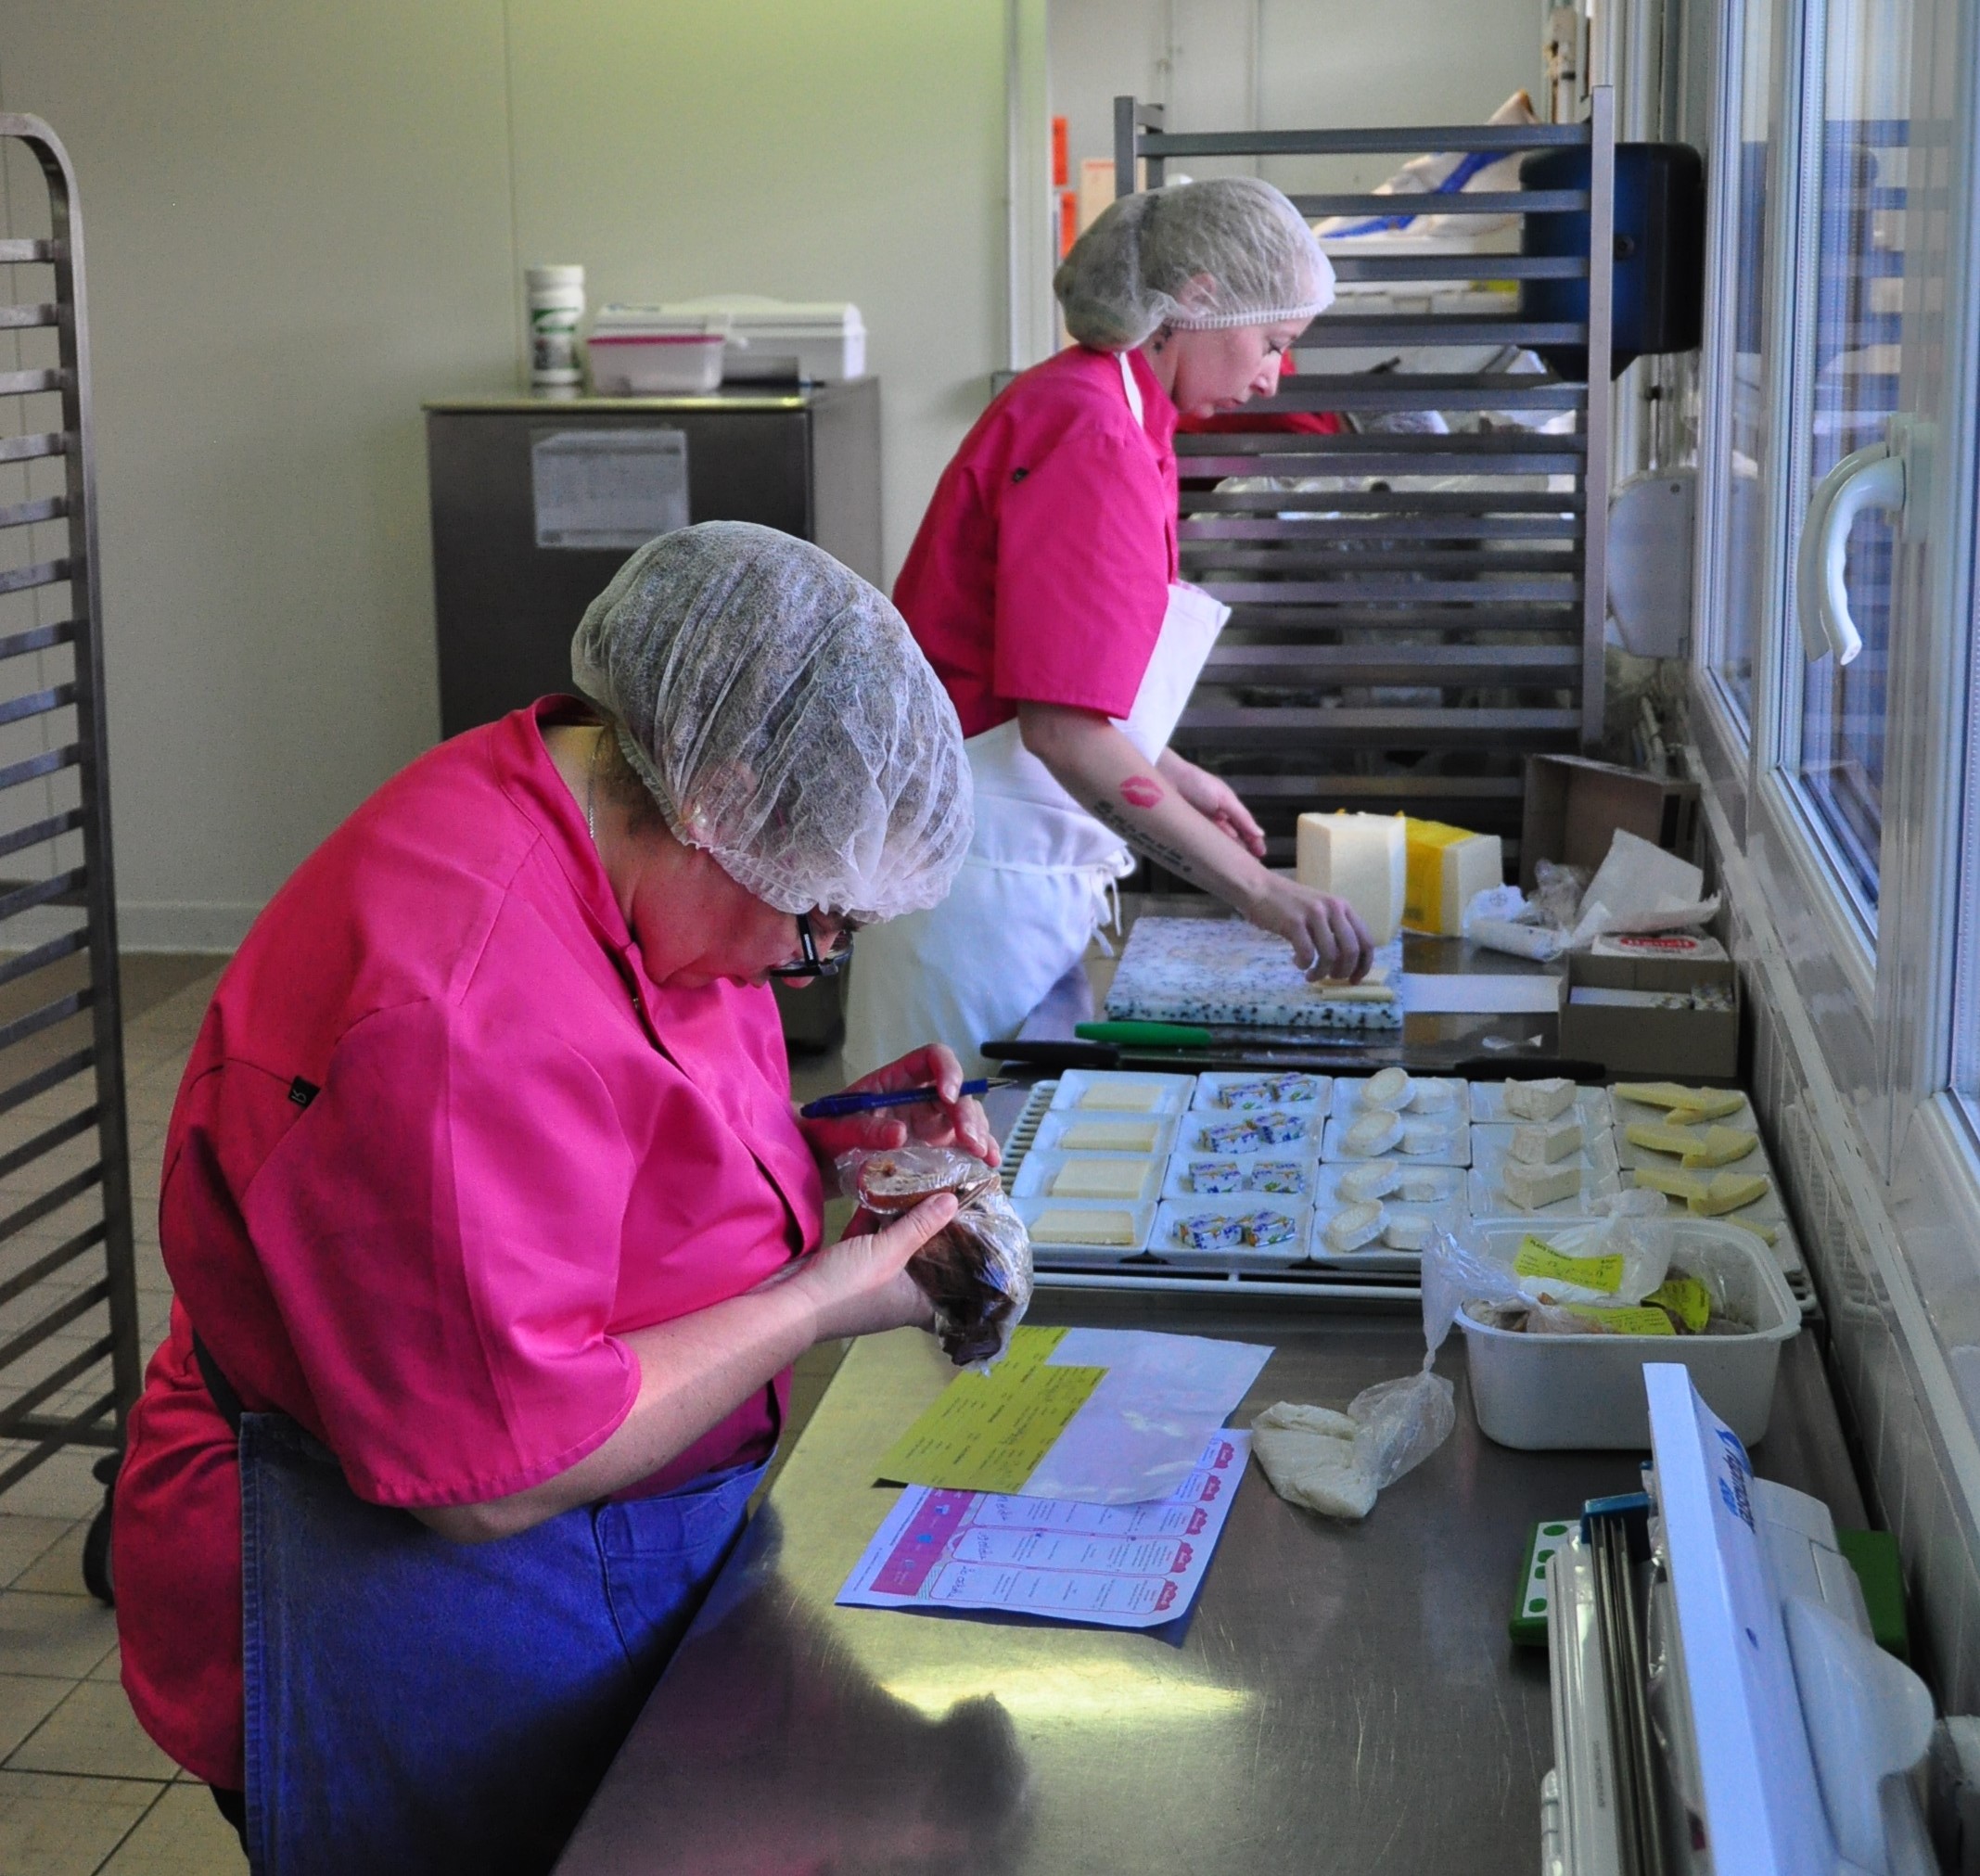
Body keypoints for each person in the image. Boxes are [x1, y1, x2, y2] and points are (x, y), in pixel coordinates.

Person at [110, 522, 989, 1876]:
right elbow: (494, 1473)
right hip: (397, 1596)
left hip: (594, 1538)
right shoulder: (459, 1010)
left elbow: (637, 1102)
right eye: (819, 921)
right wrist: (819, 1296)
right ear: (721, 800)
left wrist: (838, 1142)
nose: (804, 962)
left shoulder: (601, 809)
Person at [843, 177, 1374, 1079]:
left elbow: (1046, 680)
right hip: (979, 893)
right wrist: (1260, 894)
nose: (1270, 376)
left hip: (1021, 874)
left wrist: (1173, 771)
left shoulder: (1120, 412)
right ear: (1199, 297)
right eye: (1271, 342)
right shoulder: (1092, 433)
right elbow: (1058, 731)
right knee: (938, 1188)